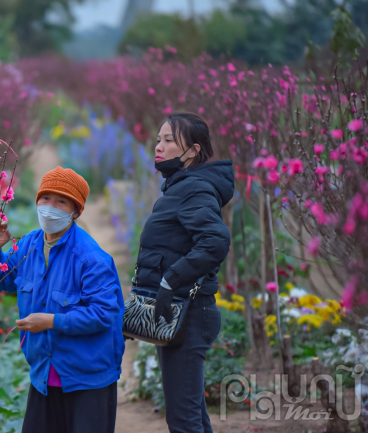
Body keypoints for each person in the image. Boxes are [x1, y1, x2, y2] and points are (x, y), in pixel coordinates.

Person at [0, 167, 125, 433]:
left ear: (75, 211)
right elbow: (2, 281)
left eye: (61, 201)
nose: (50, 207)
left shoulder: (91, 258)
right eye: (45, 198)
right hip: (44, 373)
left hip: (88, 376)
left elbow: (104, 314)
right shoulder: (29, 245)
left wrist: (51, 321)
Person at [133, 113, 234, 432]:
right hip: (178, 311)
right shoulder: (180, 186)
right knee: (190, 414)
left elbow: (215, 240)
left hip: (189, 314)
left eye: (168, 140)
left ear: (191, 151)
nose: (158, 146)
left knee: (183, 418)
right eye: (158, 139)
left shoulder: (194, 188)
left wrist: (170, 281)